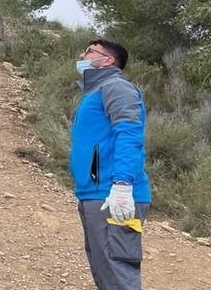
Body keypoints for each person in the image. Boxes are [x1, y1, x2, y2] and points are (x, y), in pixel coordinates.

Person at [70, 39, 151, 289]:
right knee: (106, 275)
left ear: (108, 61)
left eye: (90, 51)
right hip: (96, 194)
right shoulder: (94, 93)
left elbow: (129, 133)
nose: (83, 54)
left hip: (113, 194)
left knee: (118, 276)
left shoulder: (116, 87)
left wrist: (122, 185)